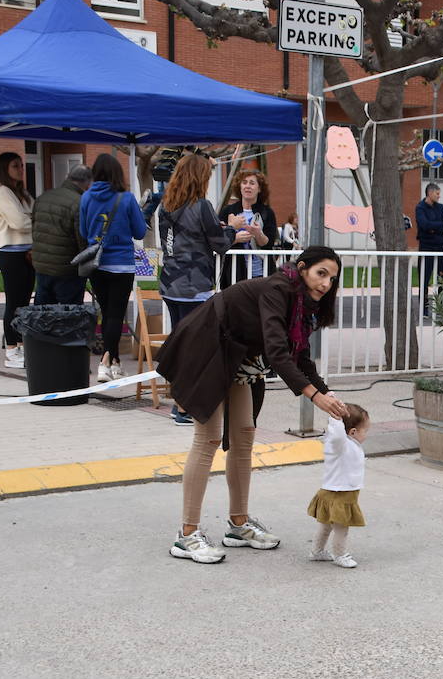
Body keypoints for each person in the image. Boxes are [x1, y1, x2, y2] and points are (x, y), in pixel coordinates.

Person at [156, 245, 350, 564]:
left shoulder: (303, 307)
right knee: (207, 438)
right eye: (321, 273)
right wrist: (314, 397)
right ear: (302, 269)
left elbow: (300, 357)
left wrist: (326, 394)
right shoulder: (278, 289)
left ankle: (238, 524)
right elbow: (277, 352)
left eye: (332, 278)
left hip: (236, 356)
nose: (326, 283)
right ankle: (187, 534)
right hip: (207, 347)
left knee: (245, 434)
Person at [157, 154, 239, 424]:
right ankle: (183, 406)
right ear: (199, 178)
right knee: (195, 346)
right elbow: (220, 245)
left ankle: (178, 402)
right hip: (195, 284)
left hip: (170, 281)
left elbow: (173, 242)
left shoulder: (165, 205)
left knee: (180, 342)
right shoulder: (202, 206)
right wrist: (233, 231)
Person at [79, 154, 147, 383]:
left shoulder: (87, 197)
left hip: (97, 263)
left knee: (107, 313)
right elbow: (139, 232)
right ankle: (105, 363)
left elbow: (82, 230)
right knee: (116, 315)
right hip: (122, 264)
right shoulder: (126, 199)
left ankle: (115, 362)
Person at [307, 402, 370, 569]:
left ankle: (317, 551)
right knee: (341, 528)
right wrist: (335, 417)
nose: (367, 435)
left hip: (335, 492)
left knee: (325, 524)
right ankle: (340, 554)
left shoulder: (349, 445)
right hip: (339, 494)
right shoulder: (341, 444)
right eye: (366, 430)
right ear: (353, 432)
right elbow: (337, 436)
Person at [0, 151, 34, 369]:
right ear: (5, 168)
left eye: (22, 165)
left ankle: (21, 343)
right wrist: (32, 220)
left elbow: (34, 215)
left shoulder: (22, 193)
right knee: (14, 302)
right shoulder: (2, 192)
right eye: (15, 166)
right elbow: (19, 222)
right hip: (10, 253)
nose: (20, 169)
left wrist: (31, 220)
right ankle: (11, 348)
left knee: (24, 303)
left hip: (27, 253)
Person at [31, 165, 91, 306]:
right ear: (88, 183)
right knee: (70, 316)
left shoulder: (43, 197)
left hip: (42, 266)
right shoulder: (79, 202)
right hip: (67, 270)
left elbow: (34, 228)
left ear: (68, 177)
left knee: (43, 314)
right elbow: (81, 239)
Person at [218, 168, 278, 285]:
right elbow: (218, 240)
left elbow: (269, 243)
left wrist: (258, 234)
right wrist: (235, 238)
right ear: (239, 187)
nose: (247, 186)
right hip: (234, 273)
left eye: (252, 183)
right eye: (244, 182)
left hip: (261, 272)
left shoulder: (267, 212)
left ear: (259, 189)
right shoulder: (228, 211)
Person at [416, 183, 443, 319]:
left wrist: (434, 228)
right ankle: (424, 310)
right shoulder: (420, 208)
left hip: (440, 247)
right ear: (430, 193)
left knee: (442, 279)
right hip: (426, 247)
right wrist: (439, 225)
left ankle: (441, 308)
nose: (439, 196)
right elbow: (424, 225)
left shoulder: (441, 208)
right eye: (437, 193)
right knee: (424, 279)